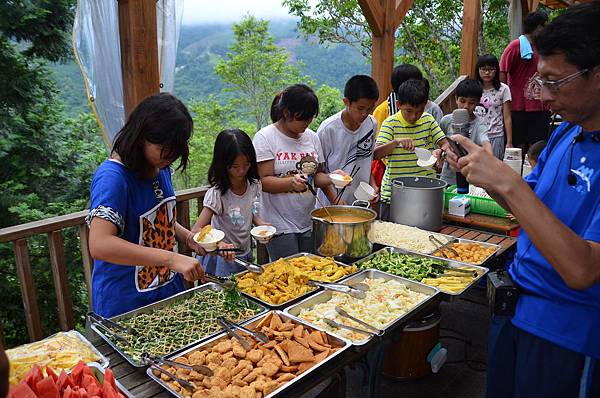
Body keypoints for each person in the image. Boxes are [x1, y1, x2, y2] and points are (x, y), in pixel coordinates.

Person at [446, 3, 600, 396]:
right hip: (516, 309)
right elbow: (533, 209)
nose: (543, 95)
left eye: (554, 81)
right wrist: (489, 178)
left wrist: (509, 184)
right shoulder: (569, 132)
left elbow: (582, 269)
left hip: (566, 333)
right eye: (538, 81)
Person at [87, 93, 205, 318]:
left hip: (166, 292)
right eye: (165, 148)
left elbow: (158, 217)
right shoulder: (112, 177)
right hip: (127, 304)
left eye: (176, 150)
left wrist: (188, 238)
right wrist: (171, 258)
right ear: (141, 136)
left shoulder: (160, 167)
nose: (170, 156)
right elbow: (100, 244)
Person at [253, 84, 335, 260]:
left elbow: (316, 177)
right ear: (286, 112)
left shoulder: (312, 138)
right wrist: (290, 182)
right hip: (279, 224)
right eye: (302, 119)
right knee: (290, 274)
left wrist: (332, 178)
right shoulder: (266, 137)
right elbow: (263, 181)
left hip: (307, 220)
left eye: (310, 119)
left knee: (309, 270)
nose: (306, 124)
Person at [191, 129, 270, 277]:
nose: (241, 171)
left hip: (244, 253)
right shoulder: (218, 194)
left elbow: (248, 210)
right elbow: (197, 229)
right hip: (220, 258)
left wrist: (261, 224)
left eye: (246, 165)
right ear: (223, 164)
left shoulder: (253, 185)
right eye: (235, 167)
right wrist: (219, 245)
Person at [374, 79, 449, 220]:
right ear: (398, 105)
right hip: (394, 194)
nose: (414, 116)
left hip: (425, 193)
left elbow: (445, 145)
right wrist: (396, 142)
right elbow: (376, 154)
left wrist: (440, 153)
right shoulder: (390, 123)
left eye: (419, 111)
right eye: (408, 111)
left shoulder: (428, 120)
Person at [317, 75, 380, 206]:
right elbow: (319, 173)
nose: (365, 114)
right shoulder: (328, 129)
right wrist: (336, 200)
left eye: (370, 109)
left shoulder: (371, 124)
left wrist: (373, 186)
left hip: (360, 200)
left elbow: (366, 158)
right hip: (332, 204)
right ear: (346, 102)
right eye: (360, 108)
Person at [500, 11, 550, 156]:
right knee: (518, 146)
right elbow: (503, 70)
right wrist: (503, 98)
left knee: (538, 146)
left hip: (541, 107)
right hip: (518, 107)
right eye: (544, 26)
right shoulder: (515, 46)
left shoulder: (543, 48)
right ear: (537, 27)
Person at [371, 64, 424, 190]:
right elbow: (377, 146)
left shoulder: (422, 110)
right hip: (389, 170)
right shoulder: (382, 111)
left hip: (416, 171)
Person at [439, 78, 491, 185]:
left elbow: (486, 144)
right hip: (448, 178)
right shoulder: (446, 120)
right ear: (456, 99)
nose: (466, 106)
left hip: (470, 178)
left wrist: (488, 156)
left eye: (471, 102)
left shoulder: (480, 125)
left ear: (477, 102)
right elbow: (440, 143)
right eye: (462, 101)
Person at [476, 54, 513, 159]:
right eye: (483, 69)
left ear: (496, 70)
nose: (487, 72)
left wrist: (509, 142)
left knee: (494, 167)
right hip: (476, 135)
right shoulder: (474, 88)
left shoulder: (503, 89)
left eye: (491, 69)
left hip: (496, 135)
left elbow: (507, 117)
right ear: (478, 70)